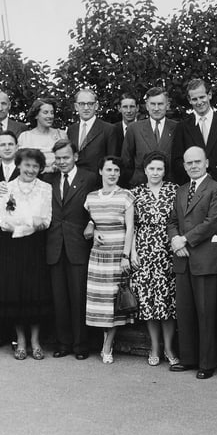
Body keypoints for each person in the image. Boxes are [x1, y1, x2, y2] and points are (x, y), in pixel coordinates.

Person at [167, 146, 217, 379]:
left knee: (205, 313)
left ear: (207, 162)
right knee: (185, 312)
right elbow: (172, 220)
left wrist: (185, 239)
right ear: (184, 165)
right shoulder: (181, 190)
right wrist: (175, 240)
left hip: (205, 258)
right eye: (189, 162)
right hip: (182, 258)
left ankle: (207, 363)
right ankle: (188, 358)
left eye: (197, 162)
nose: (193, 166)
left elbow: (213, 222)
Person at [0, 149, 52, 360]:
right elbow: (4, 223)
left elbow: (45, 220)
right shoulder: (6, 188)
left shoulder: (46, 188)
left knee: (35, 293)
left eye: (35, 166)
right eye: (27, 165)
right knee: (16, 293)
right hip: (12, 248)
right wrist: (28, 224)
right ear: (19, 165)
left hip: (36, 247)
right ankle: (21, 341)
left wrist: (22, 225)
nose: (31, 170)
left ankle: (35, 341)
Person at [46, 140, 97, 360]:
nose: (62, 162)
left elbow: (98, 206)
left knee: (78, 297)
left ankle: (81, 345)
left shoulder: (90, 178)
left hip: (78, 244)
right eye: (57, 158)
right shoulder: (48, 179)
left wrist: (93, 224)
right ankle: (63, 343)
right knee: (59, 298)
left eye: (65, 157)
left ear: (75, 156)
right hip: (54, 245)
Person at [129, 151, 179, 366]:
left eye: (159, 168)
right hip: (144, 250)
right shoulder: (135, 193)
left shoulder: (174, 190)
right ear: (145, 170)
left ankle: (169, 348)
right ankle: (154, 347)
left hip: (168, 250)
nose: (155, 172)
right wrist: (132, 252)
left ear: (164, 170)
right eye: (152, 168)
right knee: (149, 302)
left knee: (167, 303)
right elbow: (130, 226)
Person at [83, 156, 135, 363]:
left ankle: (107, 346)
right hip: (98, 256)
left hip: (117, 255)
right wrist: (93, 230)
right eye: (108, 169)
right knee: (101, 302)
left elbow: (130, 227)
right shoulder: (91, 197)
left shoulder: (126, 196)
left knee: (114, 302)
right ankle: (106, 338)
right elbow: (88, 223)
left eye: (116, 170)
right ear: (100, 172)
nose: (112, 173)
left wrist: (126, 255)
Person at [0, 131, 20, 349]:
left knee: (17, 282)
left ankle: (18, 333)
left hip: (19, 233)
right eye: (2, 145)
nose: (7, 148)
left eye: (10, 144)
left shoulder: (25, 168)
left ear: (17, 146)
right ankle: (0, 331)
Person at [171, 79, 217, 185]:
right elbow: (178, 161)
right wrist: (196, 175)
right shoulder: (182, 127)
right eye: (194, 99)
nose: (199, 102)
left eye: (202, 97)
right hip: (194, 186)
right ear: (189, 100)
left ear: (210, 95)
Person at [122, 87, 177, 187]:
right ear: (147, 106)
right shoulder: (134, 129)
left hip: (170, 187)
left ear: (167, 105)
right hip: (140, 186)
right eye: (152, 104)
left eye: (160, 104)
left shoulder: (177, 128)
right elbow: (126, 162)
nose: (156, 108)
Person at [66, 89, 120, 181]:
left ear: (96, 106)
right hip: (74, 183)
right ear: (76, 106)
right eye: (82, 104)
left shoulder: (109, 129)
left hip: (97, 183)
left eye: (90, 104)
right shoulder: (71, 130)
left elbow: (112, 161)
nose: (86, 108)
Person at [18, 98, 66, 172]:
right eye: (45, 112)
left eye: (52, 112)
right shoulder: (25, 137)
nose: (50, 116)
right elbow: (18, 162)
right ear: (36, 115)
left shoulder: (61, 135)